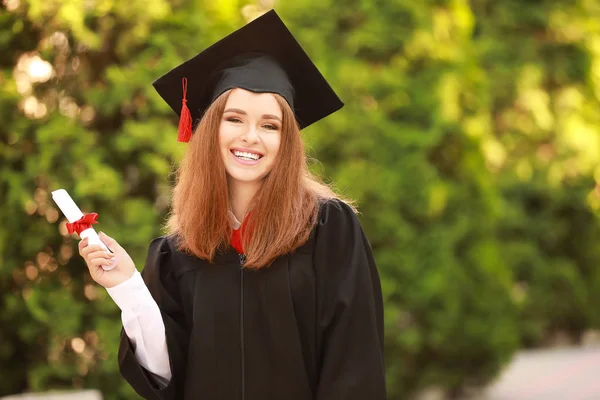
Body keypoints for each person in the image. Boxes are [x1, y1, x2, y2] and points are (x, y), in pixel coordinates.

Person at [78, 10, 386, 400]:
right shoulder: (179, 251)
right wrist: (127, 287)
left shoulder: (327, 229)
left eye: (270, 125)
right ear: (209, 129)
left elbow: (354, 363)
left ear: (287, 140)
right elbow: (168, 376)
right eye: (234, 118)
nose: (251, 137)